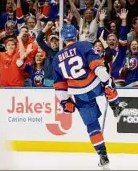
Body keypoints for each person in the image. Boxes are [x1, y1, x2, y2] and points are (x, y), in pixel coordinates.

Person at [52, 24, 127, 170]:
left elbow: (60, 86)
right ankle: (115, 106)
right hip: (94, 85)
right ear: (76, 34)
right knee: (109, 81)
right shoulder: (84, 45)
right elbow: (98, 67)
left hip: (79, 94)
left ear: (62, 38)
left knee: (91, 125)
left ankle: (102, 155)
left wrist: (65, 102)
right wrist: (107, 82)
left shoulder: (56, 58)